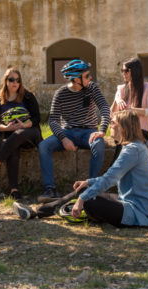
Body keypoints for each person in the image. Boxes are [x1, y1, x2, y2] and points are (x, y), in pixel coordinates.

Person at [14, 110, 148, 228]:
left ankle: (75, 209)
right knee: (85, 189)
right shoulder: (135, 147)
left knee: (89, 201)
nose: (109, 126)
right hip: (129, 204)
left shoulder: (133, 149)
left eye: (113, 123)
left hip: (138, 212)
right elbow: (111, 177)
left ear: (123, 128)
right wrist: (88, 182)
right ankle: (37, 212)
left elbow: (110, 178)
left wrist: (82, 199)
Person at [38, 59, 110, 202]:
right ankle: (50, 190)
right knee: (43, 146)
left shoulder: (92, 88)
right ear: (77, 79)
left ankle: (91, 189)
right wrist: (63, 139)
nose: (90, 78)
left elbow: (105, 108)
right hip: (67, 132)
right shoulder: (60, 93)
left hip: (88, 132)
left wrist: (102, 130)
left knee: (99, 145)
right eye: (87, 76)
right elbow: (52, 120)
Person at [0, 68, 43, 200]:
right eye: (11, 80)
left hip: (30, 132)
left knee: (19, 133)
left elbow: (37, 118)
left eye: (18, 80)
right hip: (8, 134)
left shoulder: (28, 96)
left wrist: (25, 125)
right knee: (11, 145)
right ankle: (14, 190)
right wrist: (5, 128)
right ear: (5, 81)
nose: (15, 83)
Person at [110, 57, 148, 157]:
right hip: (123, 130)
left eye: (126, 71)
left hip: (141, 131)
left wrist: (132, 110)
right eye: (122, 70)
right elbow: (112, 114)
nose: (123, 73)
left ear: (135, 71)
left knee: (126, 151)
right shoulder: (121, 89)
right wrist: (117, 99)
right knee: (122, 149)